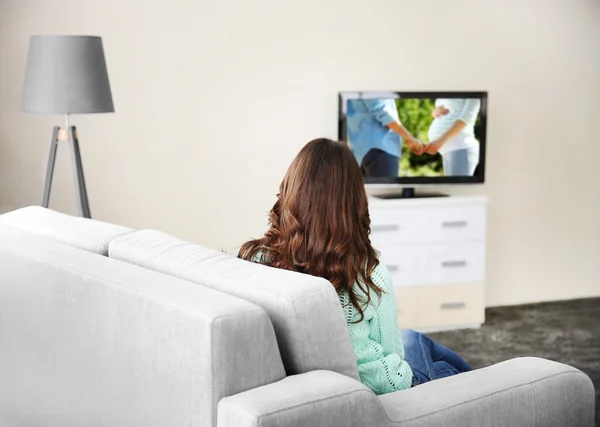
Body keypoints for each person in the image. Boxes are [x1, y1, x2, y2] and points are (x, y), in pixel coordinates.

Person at [237, 138, 471, 394]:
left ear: (292, 188)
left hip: (309, 386)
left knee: (416, 338)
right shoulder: (368, 275)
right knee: (445, 368)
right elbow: (392, 365)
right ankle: (484, 388)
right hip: (388, 386)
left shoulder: (258, 259)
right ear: (352, 201)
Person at [346, 97, 424, 178]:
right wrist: (409, 138)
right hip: (381, 149)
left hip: (359, 152)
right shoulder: (376, 86)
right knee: (386, 190)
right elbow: (383, 112)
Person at [425, 98, 481, 176]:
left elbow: (467, 117)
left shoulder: (473, 91)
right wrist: (434, 112)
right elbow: (452, 109)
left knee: (459, 188)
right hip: (449, 151)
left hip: (461, 147)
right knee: (452, 187)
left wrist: (441, 140)